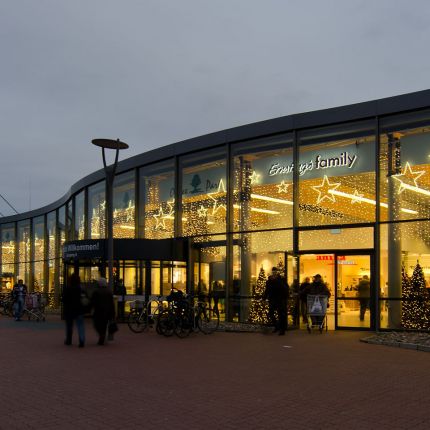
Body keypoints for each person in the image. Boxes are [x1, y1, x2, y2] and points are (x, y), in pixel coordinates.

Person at [263, 267, 289, 335]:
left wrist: (277, 280)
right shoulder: (269, 280)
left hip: (280, 299)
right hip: (272, 299)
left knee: (280, 314)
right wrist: (264, 298)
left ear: (277, 272)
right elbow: (267, 290)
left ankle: (281, 329)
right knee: (271, 313)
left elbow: (285, 288)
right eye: (273, 271)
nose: (274, 273)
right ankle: (277, 326)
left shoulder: (281, 279)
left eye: (275, 271)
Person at [62, 273, 86, 347]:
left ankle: (69, 340)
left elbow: (64, 299)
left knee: (69, 325)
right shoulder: (81, 288)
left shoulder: (67, 288)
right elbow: (85, 298)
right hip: (79, 309)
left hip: (69, 310)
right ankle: (81, 340)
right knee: (80, 325)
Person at [91, 278, 115, 345]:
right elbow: (112, 303)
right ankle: (102, 335)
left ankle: (101, 335)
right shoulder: (109, 292)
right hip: (107, 312)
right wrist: (113, 313)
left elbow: (93, 301)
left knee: (96, 324)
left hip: (98, 311)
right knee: (104, 325)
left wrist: (90, 308)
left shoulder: (96, 291)